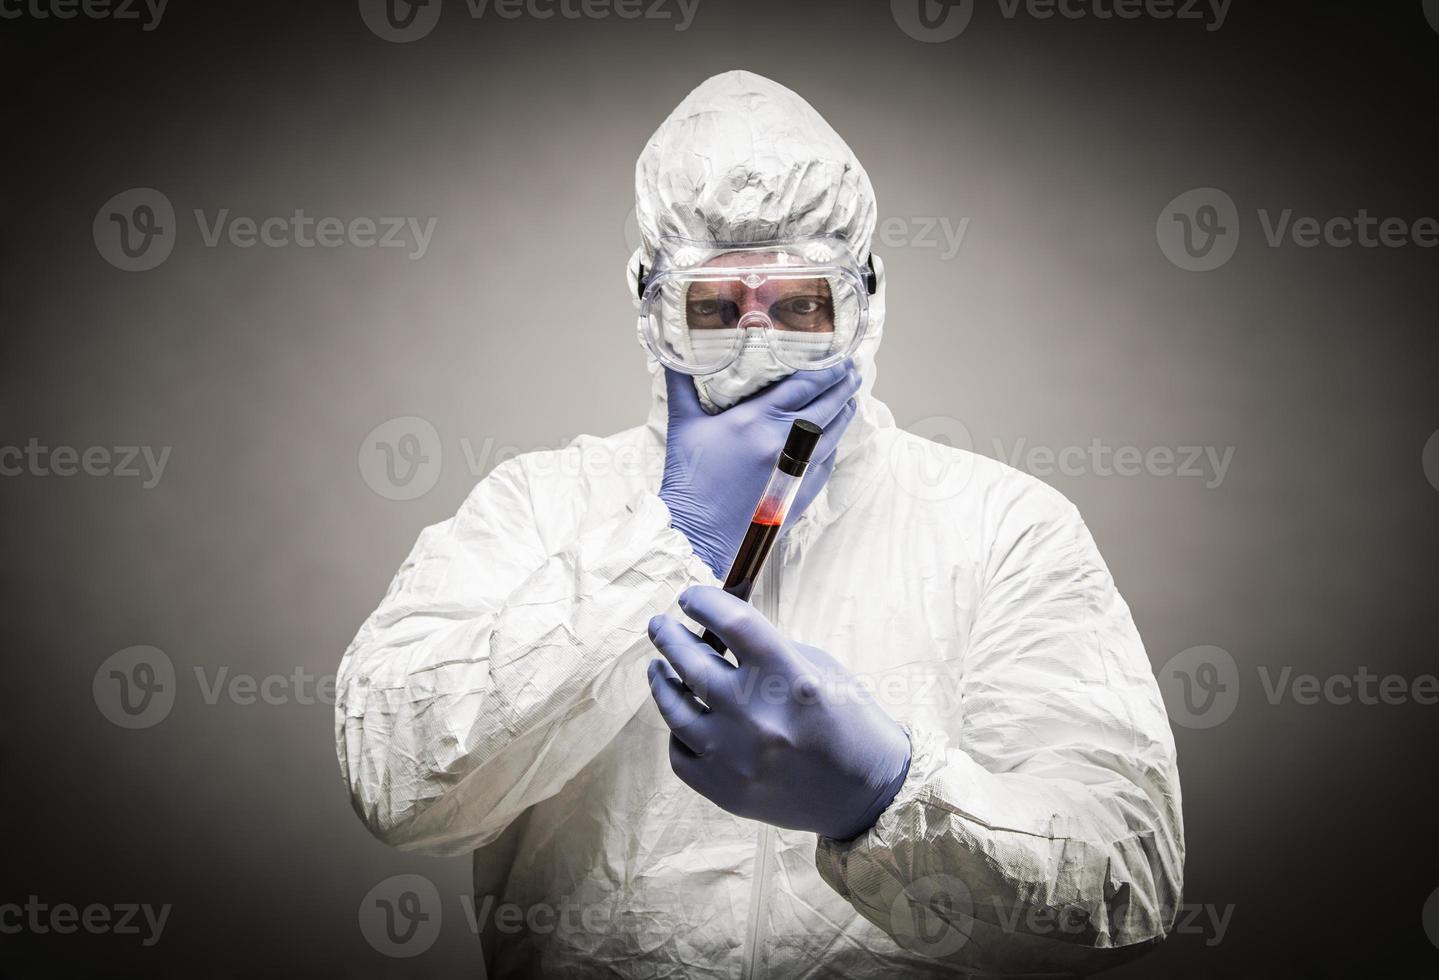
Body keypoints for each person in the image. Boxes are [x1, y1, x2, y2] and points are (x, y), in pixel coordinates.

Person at [336, 70, 1183, 977]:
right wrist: (670, 532)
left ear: (865, 299)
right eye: (712, 308)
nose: (757, 344)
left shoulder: (1000, 526)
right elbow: (397, 784)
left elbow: (1125, 874)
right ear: (650, 305)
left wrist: (886, 795)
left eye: (798, 305)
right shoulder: (541, 506)